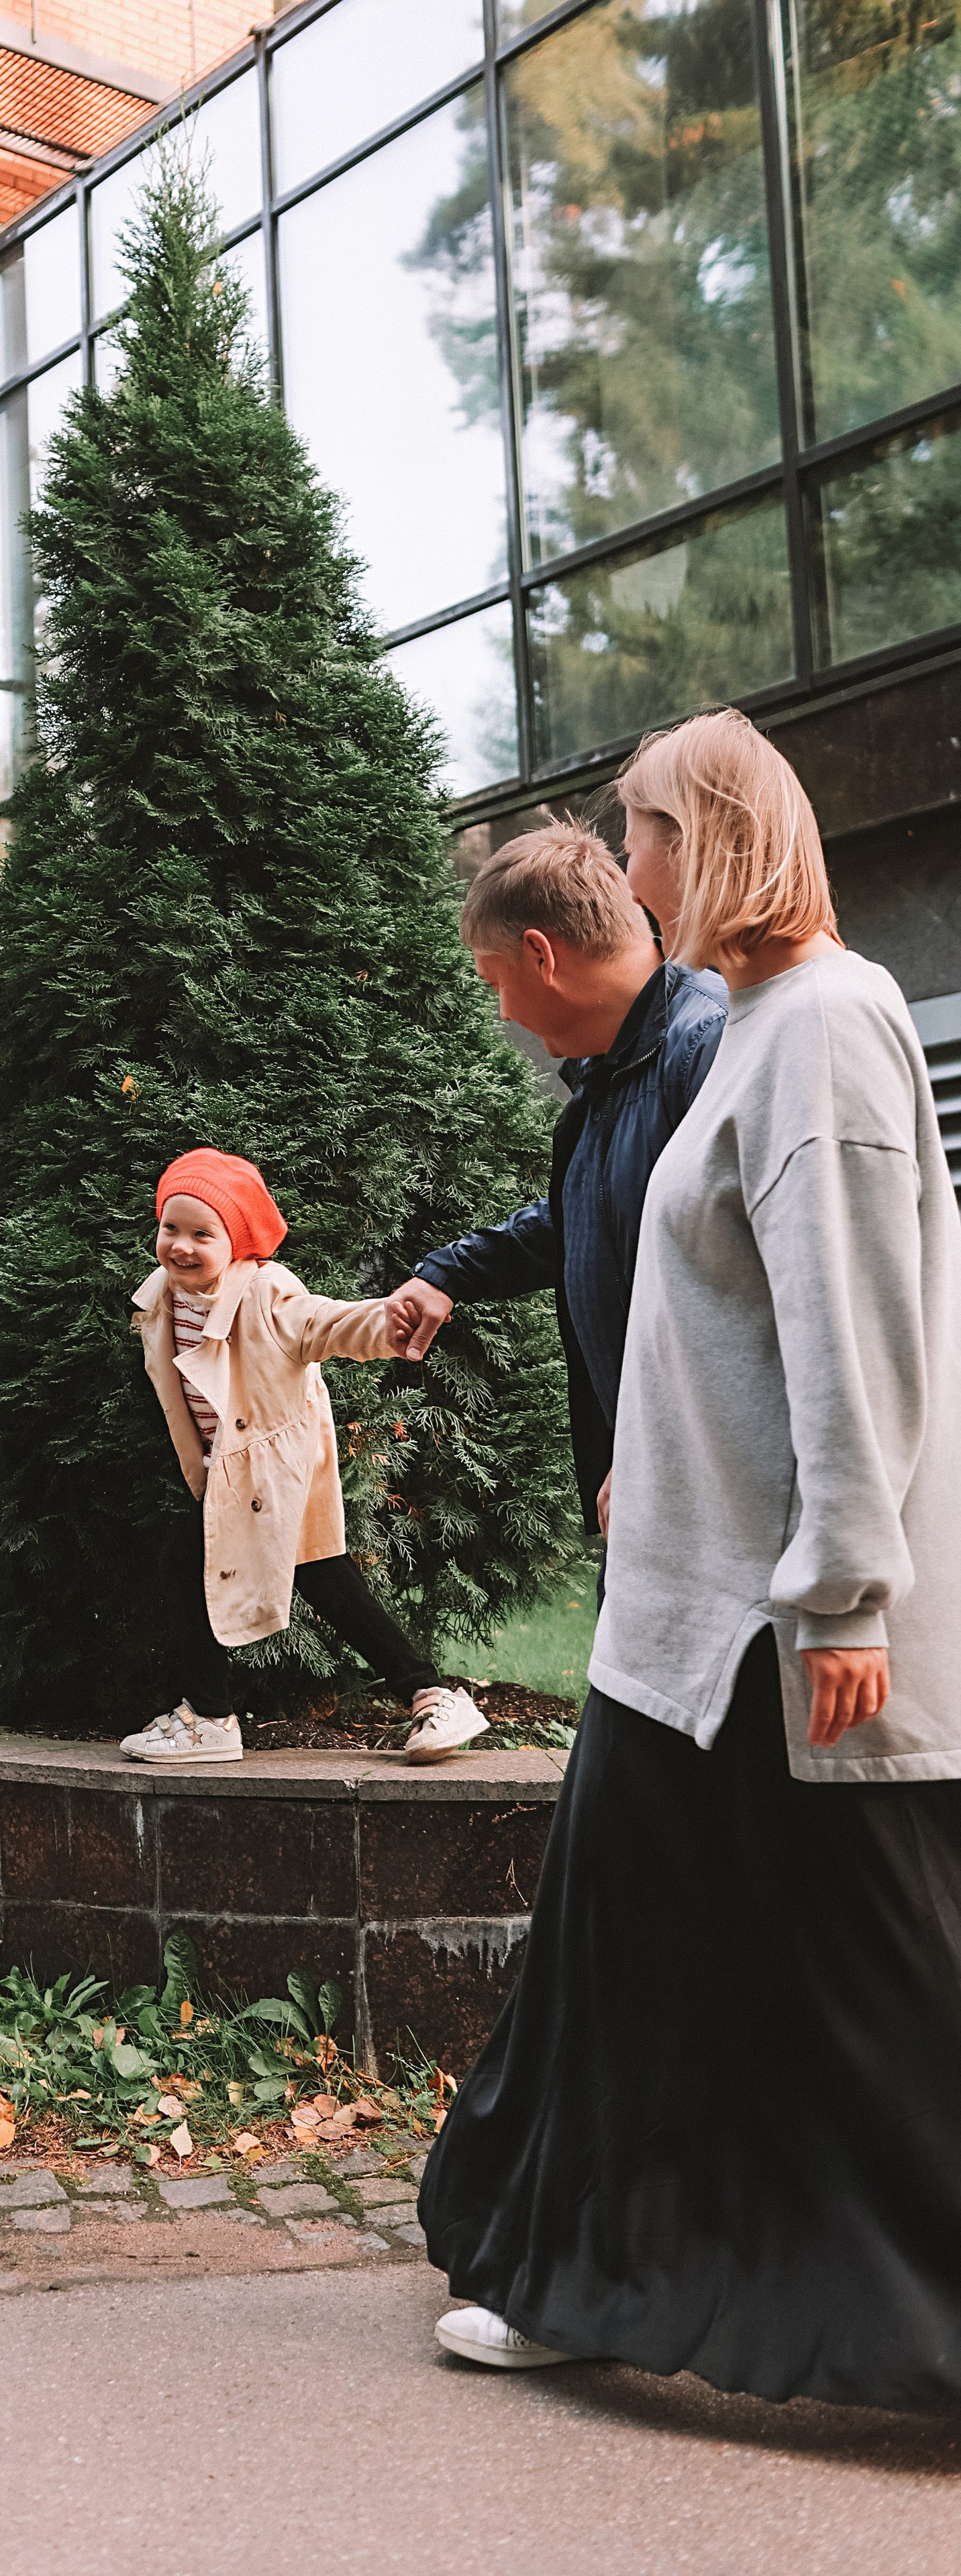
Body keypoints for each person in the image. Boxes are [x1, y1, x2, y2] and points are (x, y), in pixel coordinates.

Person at [420, 708, 961, 2408]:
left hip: (767, 1628)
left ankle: (605, 2270)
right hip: (692, 1607)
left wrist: (840, 1594)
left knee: (874, 1987)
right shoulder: (762, 1034)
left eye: (640, 831)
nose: (626, 867)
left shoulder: (812, 1033)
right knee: (625, 1960)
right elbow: (714, 1320)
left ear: (710, 836)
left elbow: (854, 1329)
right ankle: (581, 2266)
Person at [384, 819, 726, 1540]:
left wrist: (656, 1452)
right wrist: (449, 1275)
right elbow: (582, 1219)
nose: (502, 1010)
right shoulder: (611, 1071)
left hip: (703, 1492)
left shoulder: (707, 1047)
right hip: (648, 1485)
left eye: (494, 983)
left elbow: (738, 1291)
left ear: (540, 955)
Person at [120, 1147, 487, 1764]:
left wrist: (386, 1322)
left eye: (201, 1234)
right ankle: (429, 1692)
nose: (181, 1246)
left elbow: (324, 1324)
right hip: (227, 1470)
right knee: (324, 1576)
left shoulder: (264, 1290)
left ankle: (210, 1717)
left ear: (235, 1242)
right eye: (170, 1229)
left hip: (272, 1467)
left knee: (186, 1558)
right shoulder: (162, 1295)